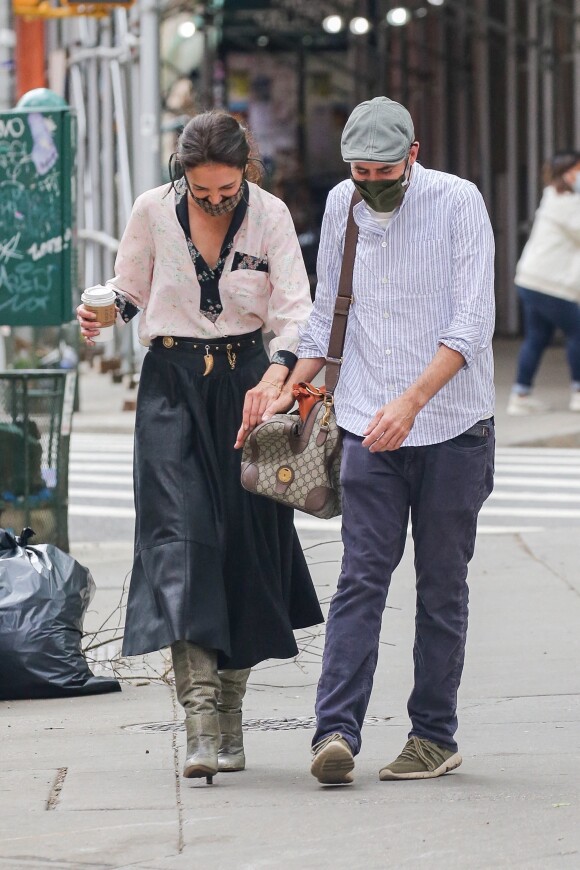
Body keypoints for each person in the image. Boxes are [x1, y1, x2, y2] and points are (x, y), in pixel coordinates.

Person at [77, 111, 323, 782]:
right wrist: (101, 309)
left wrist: (278, 377)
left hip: (250, 385)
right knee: (178, 542)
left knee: (245, 548)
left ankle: (232, 721)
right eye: (200, 189)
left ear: (245, 169)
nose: (213, 200)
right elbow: (128, 289)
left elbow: (297, 310)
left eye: (224, 189)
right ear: (181, 175)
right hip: (170, 387)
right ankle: (199, 717)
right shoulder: (153, 211)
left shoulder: (269, 215)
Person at [261, 96, 495, 784]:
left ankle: (433, 735)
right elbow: (330, 311)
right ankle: (334, 731)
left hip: (452, 425)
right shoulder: (343, 204)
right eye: (360, 172)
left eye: (384, 172)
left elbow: (472, 321)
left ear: (413, 156)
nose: (372, 184)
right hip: (365, 420)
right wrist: (286, 381)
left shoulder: (458, 203)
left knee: (441, 586)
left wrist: (414, 403)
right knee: (361, 578)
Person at [507, 151, 580, 415]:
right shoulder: (565, 202)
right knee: (577, 332)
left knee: (537, 337)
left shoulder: (556, 197)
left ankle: (521, 396)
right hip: (549, 283)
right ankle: (578, 393)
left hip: (532, 280)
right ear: (567, 173)